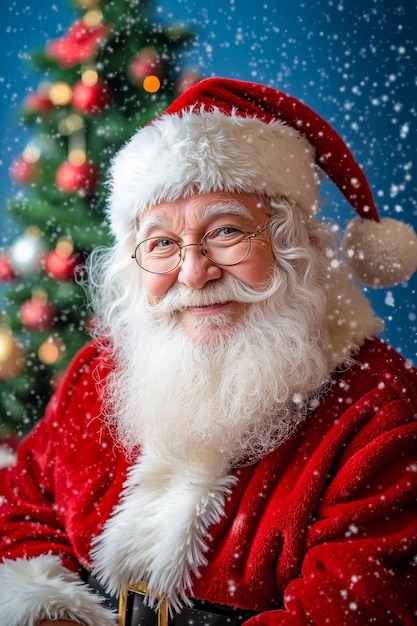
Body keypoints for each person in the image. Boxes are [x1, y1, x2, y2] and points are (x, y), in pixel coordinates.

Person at [1, 77, 417, 626]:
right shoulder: (95, 376)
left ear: (294, 244)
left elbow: (358, 609)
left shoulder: (380, 411)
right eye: (162, 243)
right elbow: (20, 504)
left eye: (226, 231)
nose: (194, 273)